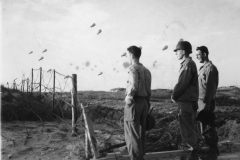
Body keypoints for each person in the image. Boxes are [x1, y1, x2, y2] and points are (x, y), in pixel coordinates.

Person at [172, 41, 199, 160]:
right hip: (188, 102)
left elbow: (182, 83)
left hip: (186, 103)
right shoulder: (189, 63)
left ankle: (192, 155)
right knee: (189, 127)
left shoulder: (187, 64)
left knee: (187, 128)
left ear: (183, 52)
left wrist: (174, 95)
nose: (176, 54)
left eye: (177, 51)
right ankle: (192, 153)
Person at [124, 46, 151, 160]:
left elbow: (134, 86)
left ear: (131, 55)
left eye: (127, 55)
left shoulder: (132, 69)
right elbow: (148, 90)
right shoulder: (146, 70)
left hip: (134, 103)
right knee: (140, 134)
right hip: (144, 102)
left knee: (132, 135)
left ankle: (135, 158)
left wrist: (128, 98)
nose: (127, 57)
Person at [196, 46, 219, 159]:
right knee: (203, 126)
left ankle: (212, 151)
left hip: (206, 101)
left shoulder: (210, 68)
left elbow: (210, 88)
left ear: (204, 54)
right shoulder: (203, 68)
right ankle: (210, 150)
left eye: (199, 54)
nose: (197, 56)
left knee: (208, 126)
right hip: (201, 101)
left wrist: (207, 104)